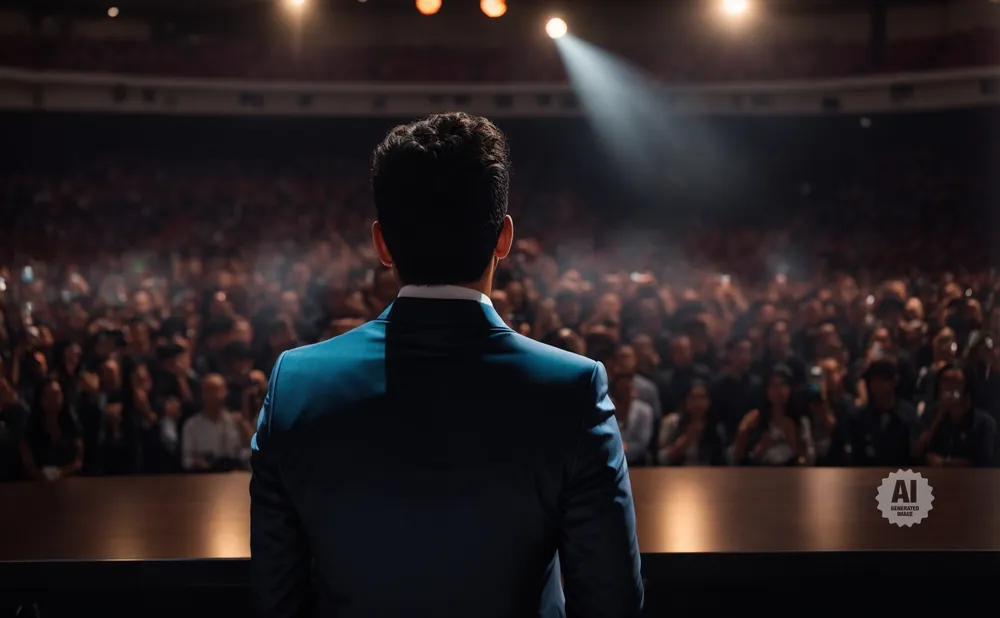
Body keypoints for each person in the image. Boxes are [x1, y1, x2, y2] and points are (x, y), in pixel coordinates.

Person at [250, 113, 643, 618]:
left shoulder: (296, 384)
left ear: (382, 245)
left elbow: (276, 601)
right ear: (504, 238)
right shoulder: (573, 388)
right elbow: (612, 604)